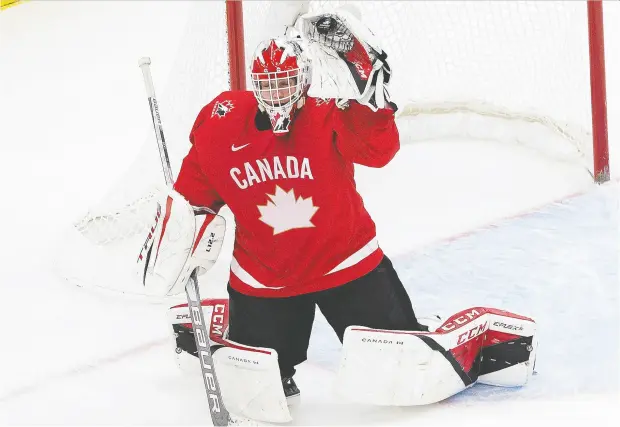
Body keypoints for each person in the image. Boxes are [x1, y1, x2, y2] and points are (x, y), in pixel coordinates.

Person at [166, 35, 426, 399]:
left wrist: (374, 106)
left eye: (285, 83)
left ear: (304, 79)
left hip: (346, 262)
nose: (277, 94)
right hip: (265, 277)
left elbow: (378, 152)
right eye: (268, 85)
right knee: (260, 385)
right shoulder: (222, 122)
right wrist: (183, 225)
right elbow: (194, 194)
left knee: (398, 365)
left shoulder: (328, 112)